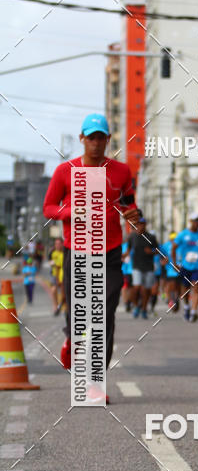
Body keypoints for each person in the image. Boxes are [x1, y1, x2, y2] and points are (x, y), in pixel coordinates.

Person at [43, 113, 139, 388]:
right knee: (78, 314)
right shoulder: (65, 171)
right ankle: (72, 337)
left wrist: (135, 218)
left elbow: (129, 204)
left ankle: (95, 383)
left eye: (101, 138)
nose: (97, 143)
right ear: (82, 139)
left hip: (109, 251)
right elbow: (48, 207)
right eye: (92, 137)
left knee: (103, 313)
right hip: (76, 249)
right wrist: (72, 212)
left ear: (108, 139)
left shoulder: (121, 171)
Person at [172, 214, 198, 322]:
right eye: (195, 221)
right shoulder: (183, 234)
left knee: (196, 288)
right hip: (185, 266)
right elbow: (174, 248)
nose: (197, 223)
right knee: (185, 290)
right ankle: (187, 306)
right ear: (190, 221)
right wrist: (175, 263)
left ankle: (194, 312)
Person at [127, 218, 159, 320]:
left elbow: (158, 250)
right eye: (139, 224)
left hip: (148, 266)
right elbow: (128, 249)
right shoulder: (132, 237)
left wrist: (152, 252)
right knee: (136, 288)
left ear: (145, 225)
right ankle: (136, 306)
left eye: (143, 224)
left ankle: (144, 309)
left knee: (146, 290)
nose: (141, 226)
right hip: (136, 266)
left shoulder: (151, 237)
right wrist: (122, 256)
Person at [160, 231, 181, 311]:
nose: (173, 241)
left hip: (180, 269)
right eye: (172, 239)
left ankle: (176, 298)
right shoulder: (165, 246)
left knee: (177, 286)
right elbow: (160, 255)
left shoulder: (180, 245)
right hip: (169, 270)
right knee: (170, 285)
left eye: (175, 239)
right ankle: (170, 300)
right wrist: (163, 261)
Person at [49, 237, 65, 316]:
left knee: (63, 294)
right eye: (56, 244)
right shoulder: (53, 253)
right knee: (53, 290)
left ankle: (62, 306)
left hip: (62, 276)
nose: (57, 245)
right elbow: (51, 263)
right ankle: (55, 306)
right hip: (54, 274)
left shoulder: (64, 252)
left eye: (59, 244)